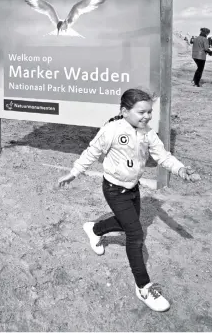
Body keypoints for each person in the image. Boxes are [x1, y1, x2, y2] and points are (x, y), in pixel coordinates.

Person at [58, 89, 200, 312]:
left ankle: (95, 229)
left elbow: (162, 156)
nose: (146, 116)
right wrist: (74, 172)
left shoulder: (147, 133)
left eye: (149, 112)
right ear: (125, 111)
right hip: (114, 189)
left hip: (133, 189)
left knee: (128, 224)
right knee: (135, 233)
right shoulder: (112, 130)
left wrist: (181, 170)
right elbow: (91, 152)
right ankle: (144, 287)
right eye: (141, 112)